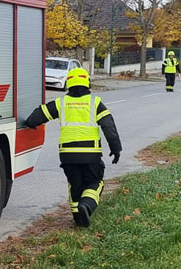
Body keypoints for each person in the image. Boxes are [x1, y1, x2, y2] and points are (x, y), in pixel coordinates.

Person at [25, 68, 122, 227]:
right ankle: (87, 206)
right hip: (91, 153)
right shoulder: (95, 102)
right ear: (87, 83)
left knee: (75, 184)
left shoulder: (60, 103)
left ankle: (78, 217)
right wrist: (116, 148)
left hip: (67, 154)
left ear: (68, 83)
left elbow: (37, 116)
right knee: (95, 182)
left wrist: (30, 123)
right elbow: (109, 127)